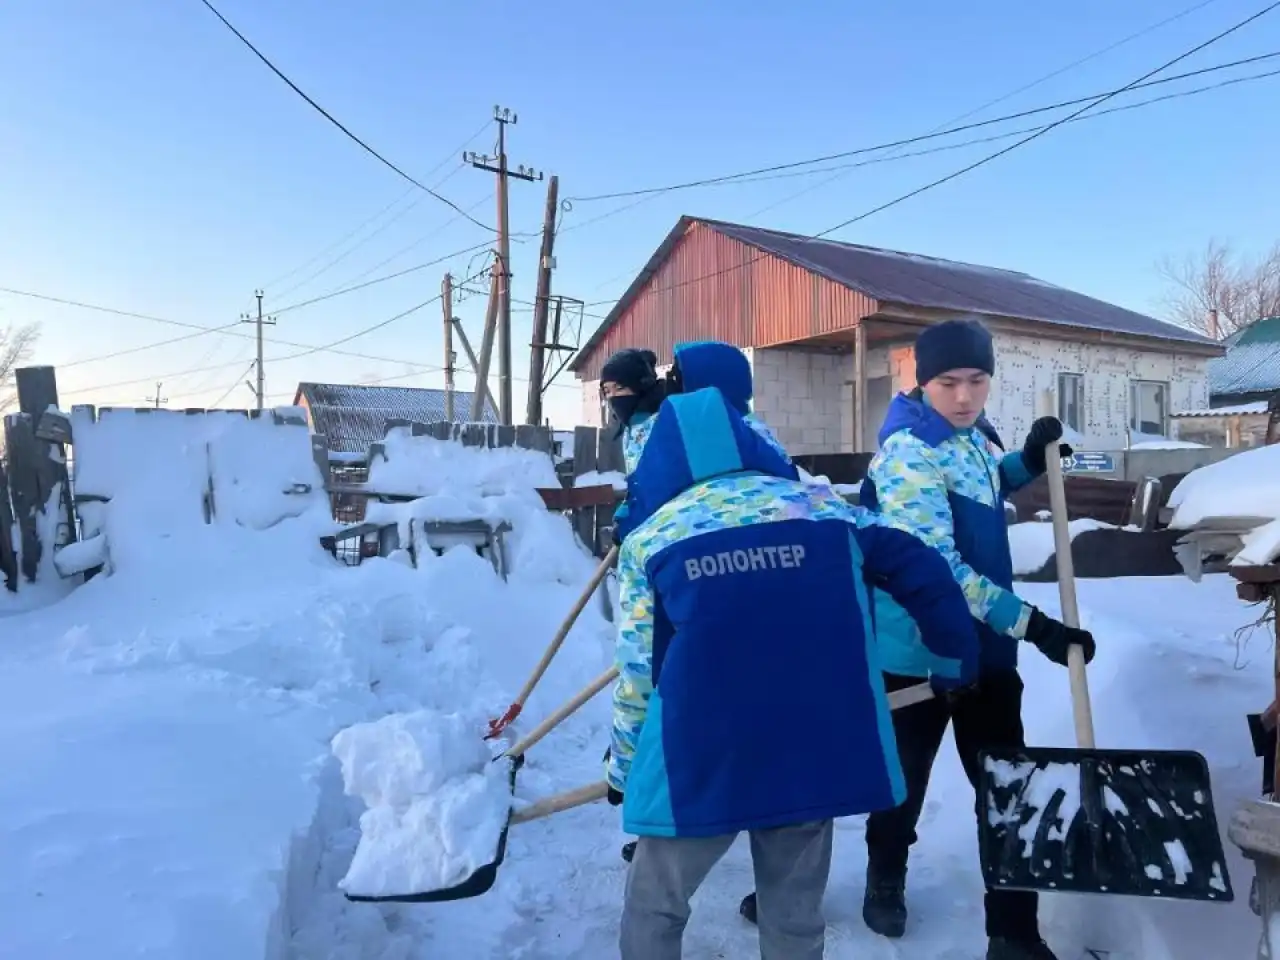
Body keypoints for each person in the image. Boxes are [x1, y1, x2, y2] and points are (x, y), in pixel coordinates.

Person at [606, 381, 983, 960]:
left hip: (702, 756)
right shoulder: (829, 512)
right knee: (793, 913)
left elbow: (637, 674)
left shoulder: (652, 539)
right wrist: (955, 659)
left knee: (657, 904)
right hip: (811, 749)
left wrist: (625, 769)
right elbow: (924, 568)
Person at [855, 318, 1097, 960]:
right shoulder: (909, 451)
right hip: (919, 655)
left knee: (1010, 791)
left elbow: (990, 481)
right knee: (903, 786)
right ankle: (885, 877)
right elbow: (936, 573)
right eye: (948, 383)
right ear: (922, 381)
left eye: (978, 380)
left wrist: (1027, 456)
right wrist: (1033, 624)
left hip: (987, 653)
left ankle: (1013, 934)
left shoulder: (975, 437)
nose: (964, 396)